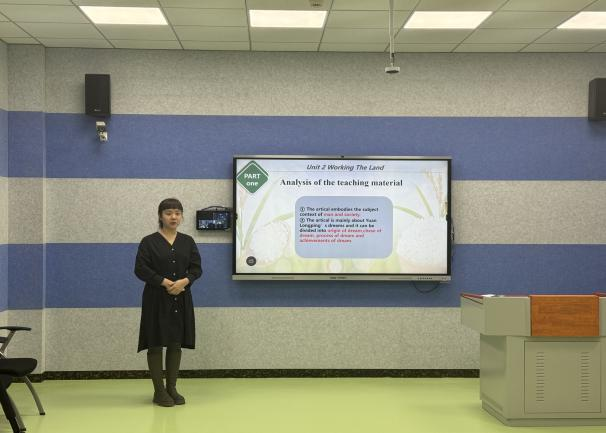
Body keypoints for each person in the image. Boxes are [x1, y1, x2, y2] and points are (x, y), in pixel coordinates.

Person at [134, 198, 202, 407]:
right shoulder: (148, 242)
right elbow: (140, 269)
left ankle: (172, 388)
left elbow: (196, 269)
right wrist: (164, 282)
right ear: (160, 216)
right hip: (156, 298)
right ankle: (159, 391)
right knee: (155, 343)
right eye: (169, 213)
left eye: (177, 213)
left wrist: (184, 281)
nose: (174, 217)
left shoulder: (188, 241)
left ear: (181, 216)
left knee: (175, 342)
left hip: (181, 297)